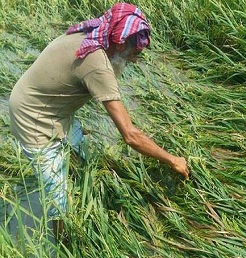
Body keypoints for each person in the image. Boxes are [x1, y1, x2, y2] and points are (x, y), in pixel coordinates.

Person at [8, 3, 189, 243]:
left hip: (46, 105)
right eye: (135, 54)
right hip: (34, 119)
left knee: (79, 153)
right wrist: (172, 159)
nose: (135, 61)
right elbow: (130, 135)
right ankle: (66, 246)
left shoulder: (92, 32)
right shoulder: (96, 63)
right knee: (59, 199)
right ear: (121, 43)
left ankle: (81, 176)